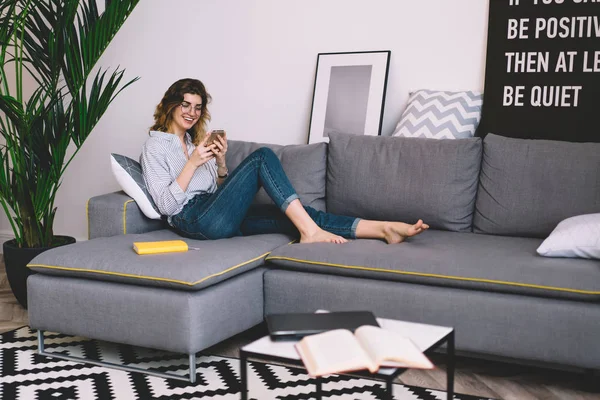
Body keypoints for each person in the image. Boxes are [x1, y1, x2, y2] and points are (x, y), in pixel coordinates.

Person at [141, 78, 429, 244]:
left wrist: (221, 162)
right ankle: (310, 232)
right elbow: (166, 207)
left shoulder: (194, 142)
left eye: (197, 107)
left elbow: (215, 191)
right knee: (262, 157)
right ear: (171, 105)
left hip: (215, 214)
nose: (191, 112)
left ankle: (383, 229)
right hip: (192, 220)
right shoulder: (155, 146)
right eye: (185, 105)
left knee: (294, 215)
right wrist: (191, 163)